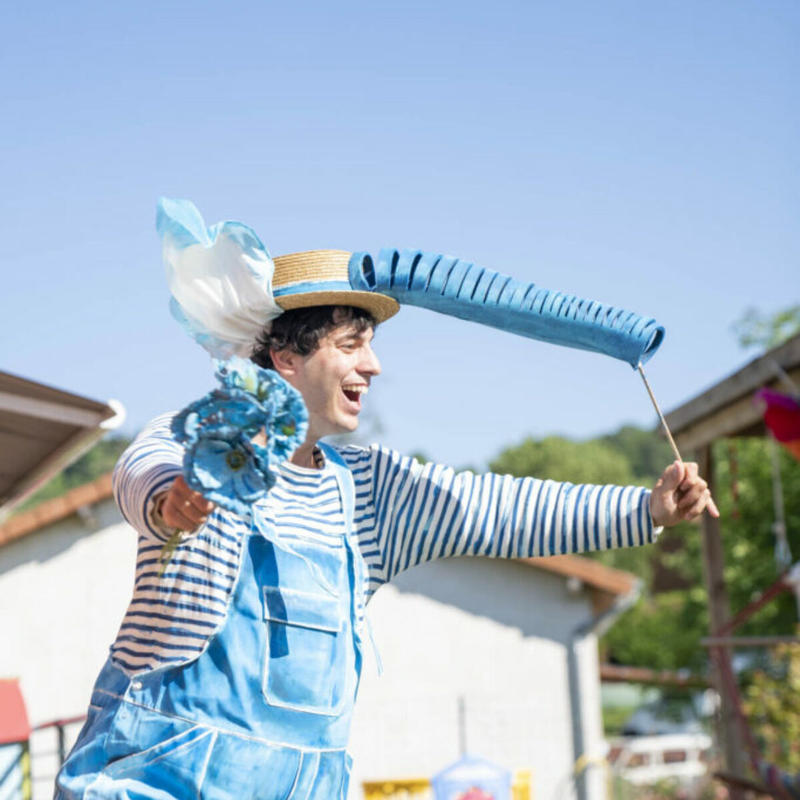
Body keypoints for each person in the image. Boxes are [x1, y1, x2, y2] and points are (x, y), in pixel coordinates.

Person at [55, 209, 716, 799]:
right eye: (350, 344)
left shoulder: (368, 489)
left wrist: (647, 509)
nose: (371, 366)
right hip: (157, 778)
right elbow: (142, 473)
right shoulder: (204, 435)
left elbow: (497, 508)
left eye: (370, 344)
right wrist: (176, 505)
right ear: (285, 357)